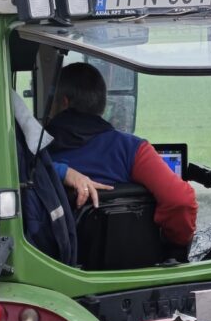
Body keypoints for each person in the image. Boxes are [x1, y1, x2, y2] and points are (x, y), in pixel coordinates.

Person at [38, 61, 198, 249]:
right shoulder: (131, 149)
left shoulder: (33, 152)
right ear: (102, 105)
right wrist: (172, 250)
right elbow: (180, 201)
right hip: (132, 264)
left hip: (55, 263)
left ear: (64, 102)